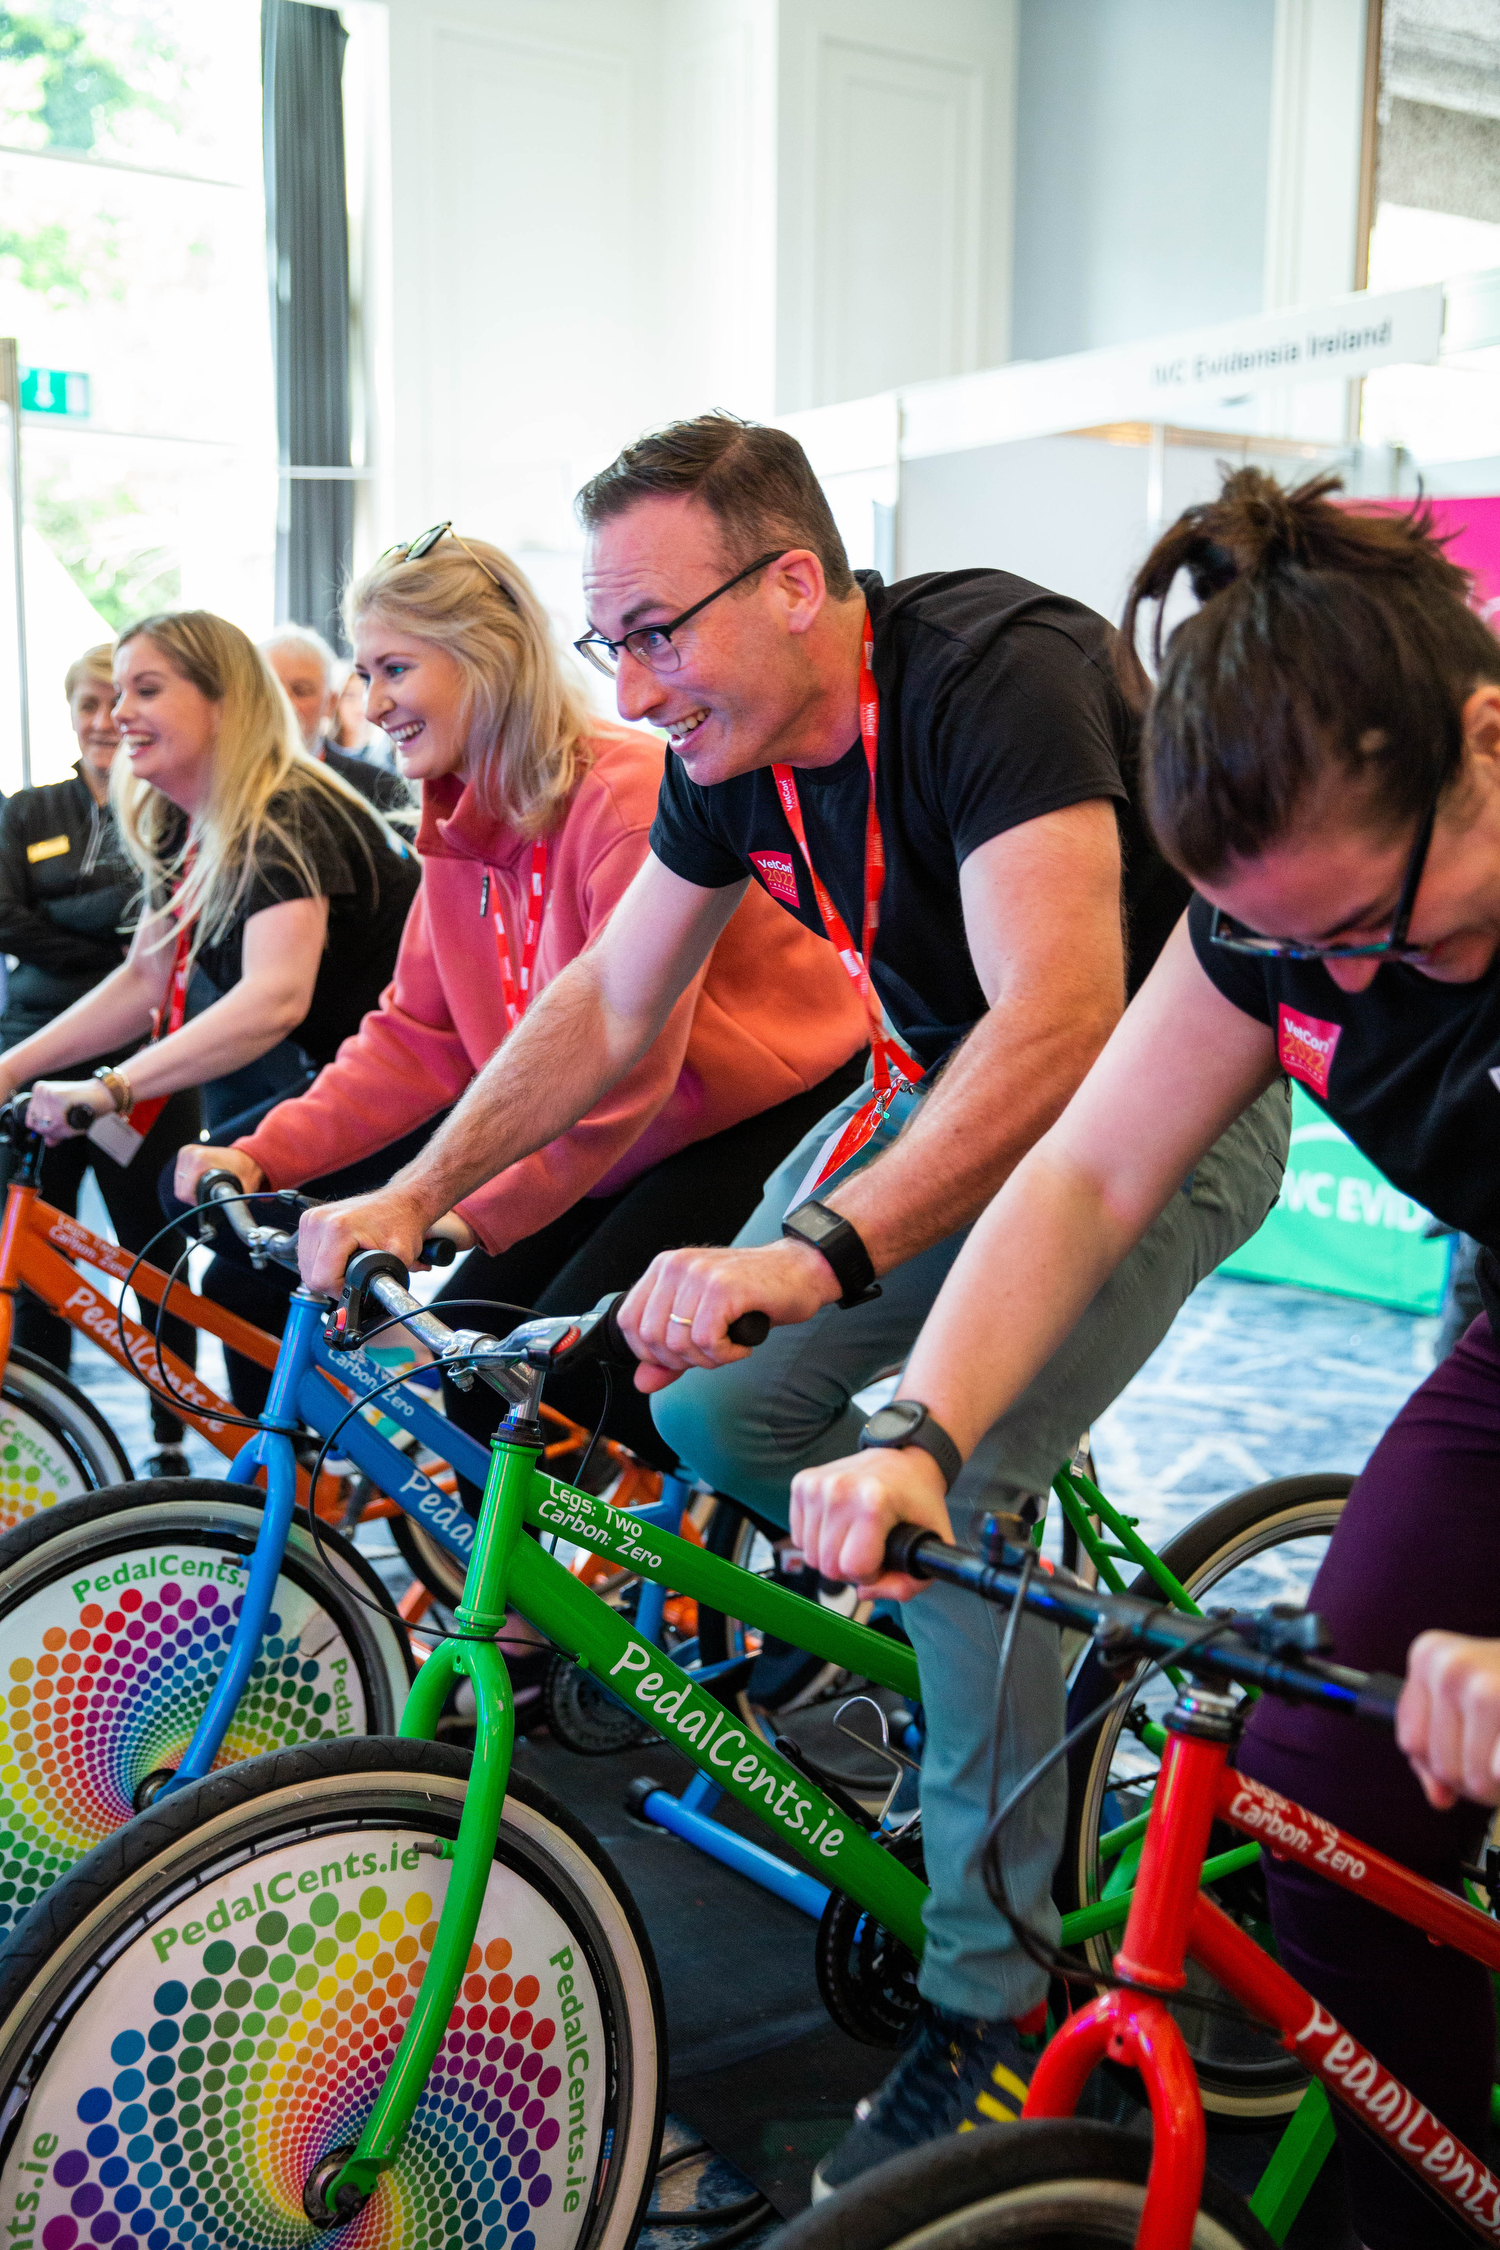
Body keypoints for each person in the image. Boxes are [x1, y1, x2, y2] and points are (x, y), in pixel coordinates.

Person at [291, 415, 1289, 2167]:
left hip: (1152, 1105)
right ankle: (997, 1664)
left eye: (656, 631)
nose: (638, 680)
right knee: (705, 1407)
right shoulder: (728, 755)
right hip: (927, 1092)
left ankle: (993, 2004)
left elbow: (1059, 1027)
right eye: (615, 643)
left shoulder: (999, 675)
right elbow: (610, 1006)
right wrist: (416, 1188)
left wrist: (805, 1252)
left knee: (956, 1482)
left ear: (798, 582)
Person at [789, 469, 1500, 2248]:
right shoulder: (1269, 920)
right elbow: (1096, 1175)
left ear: (1486, 741)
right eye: (1292, 944)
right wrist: (917, 1425)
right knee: (1330, 1807)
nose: (1336, 976)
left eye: (1367, 929)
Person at [174, 526, 867, 1475]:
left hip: (749, 1117)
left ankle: (794, 1555)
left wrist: (449, 1209)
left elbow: (631, 1075)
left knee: (576, 1380)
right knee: (470, 1368)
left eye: (394, 670)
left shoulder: (622, 799)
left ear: (484, 661)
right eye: (363, 676)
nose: (373, 706)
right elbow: (420, 1038)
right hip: (610, 1139)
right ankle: (548, 1613)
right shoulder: (463, 825)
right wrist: (260, 1153)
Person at [2, 611, 422, 1413]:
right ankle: (295, 1470)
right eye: (118, 690)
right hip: (354, 1078)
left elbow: (274, 997)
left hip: (421, 1086)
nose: (119, 712)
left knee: (224, 1231)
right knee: (217, 1246)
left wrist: (112, 1088)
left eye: (146, 689)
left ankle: (321, 1459)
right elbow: (144, 976)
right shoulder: (185, 821)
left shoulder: (282, 811)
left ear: (224, 702)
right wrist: (15, 1067)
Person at [0, 642, 199, 1475]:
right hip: (31, 1056)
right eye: (89, 702)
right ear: (73, 712)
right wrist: (116, 961)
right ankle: (39, 1415)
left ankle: (172, 1431)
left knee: (158, 1248)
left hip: (147, 1064)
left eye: (119, 698)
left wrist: (124, 966)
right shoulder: (25, 812)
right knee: (32, 1241)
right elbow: (8, 916)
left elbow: (156, 940)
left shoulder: (168, 808)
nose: (103, 719)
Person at [260, 624, 412, 816]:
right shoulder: (223, 781)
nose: (284, 703)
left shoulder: (379, 790)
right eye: (272, 690)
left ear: (330, 704)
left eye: (301, 691)